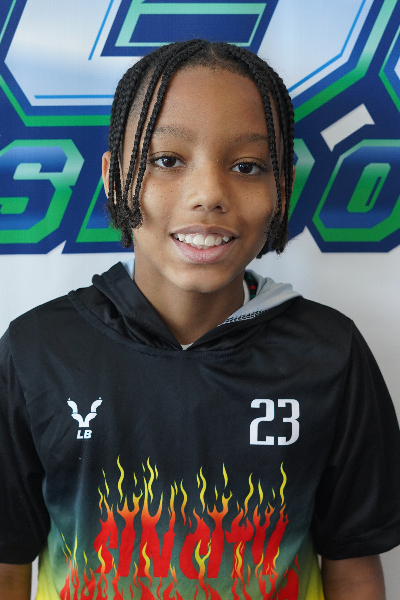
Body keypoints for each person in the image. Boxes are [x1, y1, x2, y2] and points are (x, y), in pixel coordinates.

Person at [0, 39, 399, 600]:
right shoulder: (37, 349)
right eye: (167, 160)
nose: (209, 194)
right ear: (114, 176)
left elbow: (353, 565)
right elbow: (8, 563)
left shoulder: (330, 352)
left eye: (247, 166)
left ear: (282, 186)